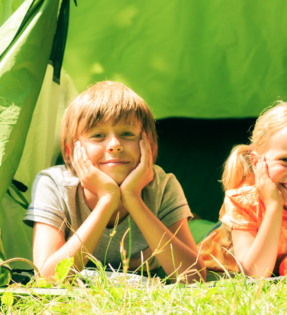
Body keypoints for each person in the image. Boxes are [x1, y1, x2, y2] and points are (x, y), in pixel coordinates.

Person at [23, 81, 205, 282]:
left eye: (127, 133)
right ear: (71, 151)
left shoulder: (162, 185)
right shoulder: (53, 185)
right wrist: (107, 200)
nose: (115, 145)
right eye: (98, 135)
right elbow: (47, 278)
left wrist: (132, 197)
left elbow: (193, 277)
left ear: (151, 146)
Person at [199, 102, 287, 278]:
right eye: (285, 160)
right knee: (193, 228)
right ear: (258, 162)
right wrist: (274, 205)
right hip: (215, 258)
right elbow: (254, 275)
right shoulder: (244, 200)